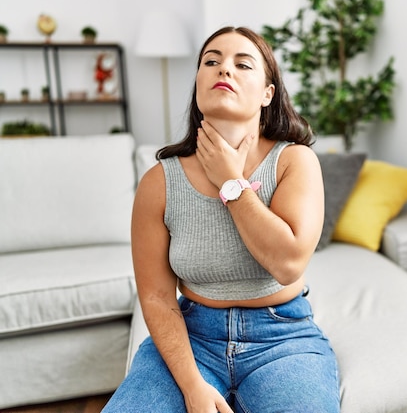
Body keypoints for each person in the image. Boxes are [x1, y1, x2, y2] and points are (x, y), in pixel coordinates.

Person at [102, 26, 340, 413]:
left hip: (282, 339)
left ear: (268, 93)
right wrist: (193, 386)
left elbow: (288, 263)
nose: (223, 70)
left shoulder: (295, 161)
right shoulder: (159, 181)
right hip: (193, 338)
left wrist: (232, 183)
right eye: (211, 61)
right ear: (198, 84)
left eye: (242, 64)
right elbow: (158, 296)